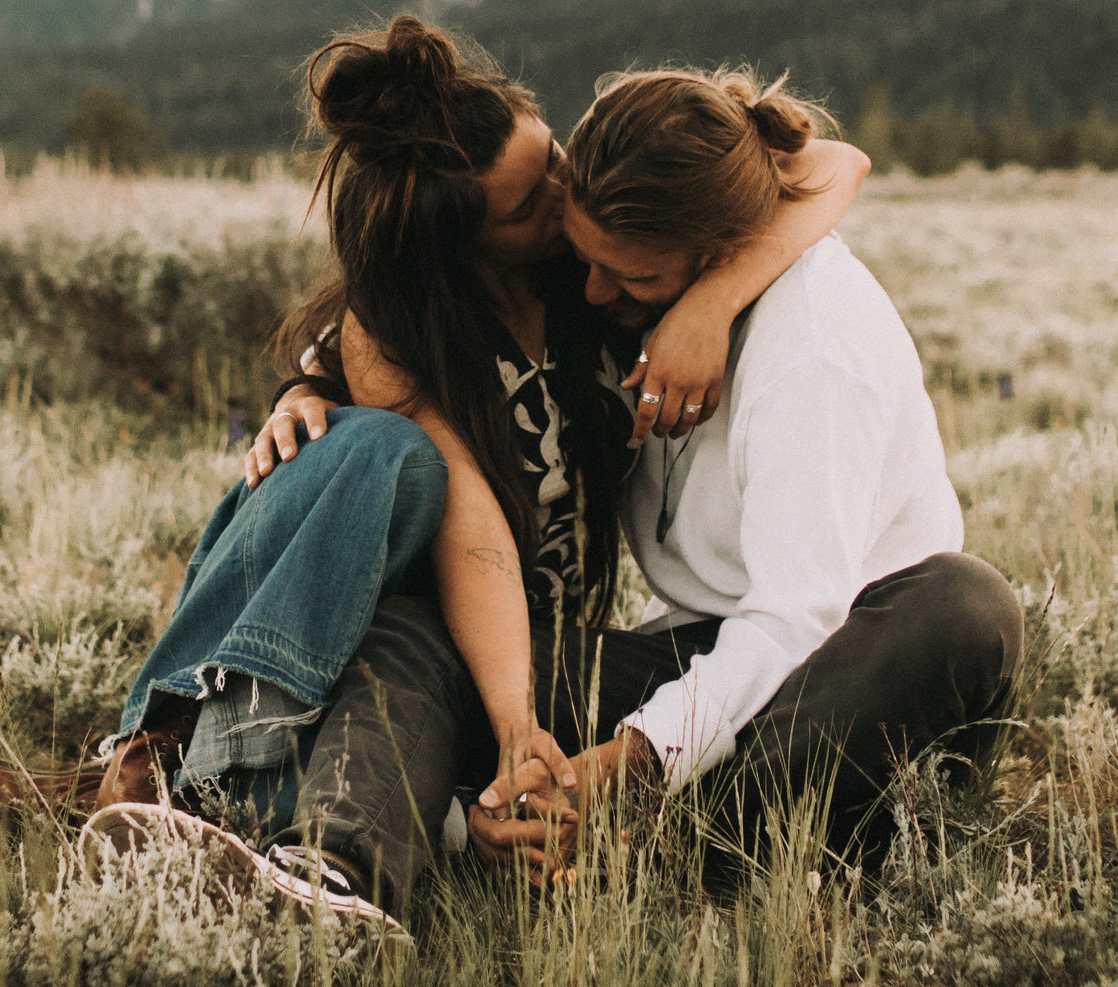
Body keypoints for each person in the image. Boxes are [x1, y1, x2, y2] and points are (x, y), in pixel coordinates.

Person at [0, 19, 868, 929]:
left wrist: (718, 298)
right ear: (460, 247)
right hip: (418, 629)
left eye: (555, 159)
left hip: (533, 642)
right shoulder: (404, 333)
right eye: (534, 201)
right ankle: (151, 763)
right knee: (380, 455)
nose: (568, 195)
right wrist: (513, 717)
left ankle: (164, 807)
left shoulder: (592, 268)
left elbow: (828, 159)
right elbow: (474, 530)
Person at [298, 65, 1024, 902]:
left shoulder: (815, 347)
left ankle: (659, 844)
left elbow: (795, 619)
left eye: (630, 277)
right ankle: (340, 869)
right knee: (424, 637)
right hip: (703, 654)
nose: (592, 290)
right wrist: (309, 386)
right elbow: (415, 312)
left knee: (967, 605)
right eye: (585, 260)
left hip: (847, 676)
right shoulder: (627, 283)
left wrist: (628, 761)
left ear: (719, 255)